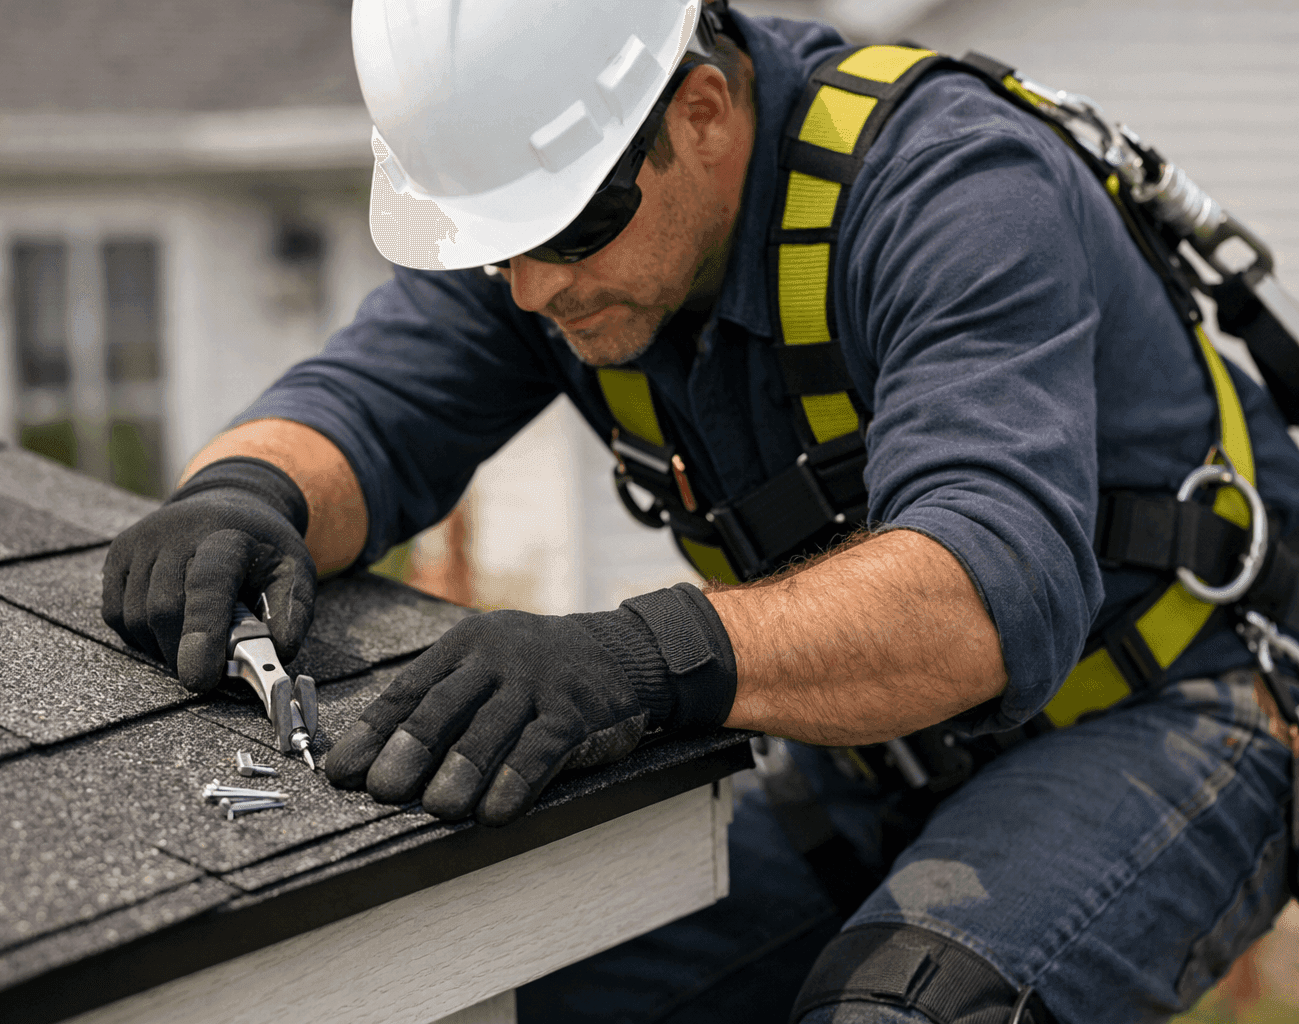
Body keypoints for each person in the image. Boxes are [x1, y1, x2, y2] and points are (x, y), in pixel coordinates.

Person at [101, 1, 1297, 1020]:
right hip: (877, 757)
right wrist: (244, 493)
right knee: (521, 982)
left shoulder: (950, 188)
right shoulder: (563, 236)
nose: (529, 288)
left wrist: (641, 658)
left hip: (1162, 709)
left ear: (704, 114)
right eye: (497, 247)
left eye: (563, 231)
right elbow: (367, 404)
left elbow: (989, 589)